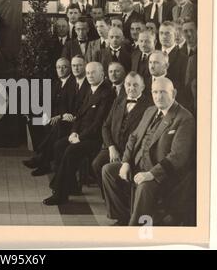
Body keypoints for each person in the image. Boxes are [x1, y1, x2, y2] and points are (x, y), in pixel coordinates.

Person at [102, 77, 195, 226]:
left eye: (163, 92)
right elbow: (133, 138)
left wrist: (150, 174)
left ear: (174, 93)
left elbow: (178, 157)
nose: (159, 96)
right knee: (108, 170)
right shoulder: (150, 110)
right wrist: (125, 162)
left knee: (145, 186)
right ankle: (123, 217)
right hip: (138, 164)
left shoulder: (184, 118)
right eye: (155, 92)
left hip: (162, 173)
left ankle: (135, 228)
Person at [43, 62, 116, 205]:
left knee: (71, 151)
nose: (89, 75)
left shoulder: (106, 93)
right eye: (88, 73)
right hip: (81, 135)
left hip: (96, 138)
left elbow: (99, 123)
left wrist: (80, 137)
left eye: (93, 72)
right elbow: (79, 115)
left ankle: (60, 193)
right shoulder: (91, 89)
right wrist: (74, 132)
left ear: (102, 74)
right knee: (58, 145)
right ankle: (72, 186)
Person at [92, 72, 151, 196]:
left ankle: (121, 200)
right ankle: (109, 198)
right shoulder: (118, 101)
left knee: (124, 172)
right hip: (113, 146)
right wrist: (111, 147)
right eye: (128, 84)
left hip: (132, 150)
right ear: (124, 85)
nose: (131, 88)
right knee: (97, 164)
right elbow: (105, 126)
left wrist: (126, 155)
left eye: (135, 85)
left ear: (143, 87)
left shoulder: (148, 106)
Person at [23, 57, 75, 176]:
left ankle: (43, 161)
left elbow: (72, 107)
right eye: (58, 67)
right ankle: (40, 155)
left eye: (64, 67)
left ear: (69, 69)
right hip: (53, 115)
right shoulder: (56, 82)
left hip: (64, 120)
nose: (61, 70)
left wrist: (59, 116)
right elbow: (48, 102)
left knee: (53, 127)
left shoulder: (73, 84)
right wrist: (45, 114)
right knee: (33, 121)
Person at [159, 21, 188, 91]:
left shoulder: (184, 59)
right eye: (161, 33)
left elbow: (183, 86)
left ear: (175, 35)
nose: (164, 36)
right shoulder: (153, 54)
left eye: (167, 33)